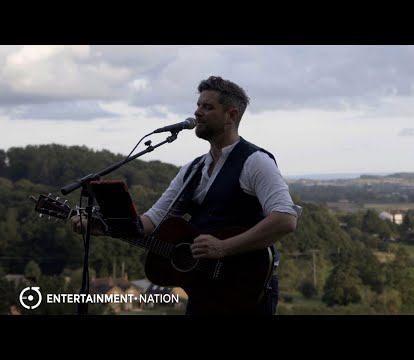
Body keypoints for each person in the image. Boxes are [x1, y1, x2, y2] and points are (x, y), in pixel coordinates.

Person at [71, 75, 301, 315]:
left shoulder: (255, 162)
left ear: (231, 116)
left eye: (208, 107)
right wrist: (104, 227)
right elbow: (151, 221)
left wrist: (223, 247)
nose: (198, 112)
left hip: (247, 290)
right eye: (198, 105)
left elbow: (285, 218)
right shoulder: (192, 170)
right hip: (202, 290)